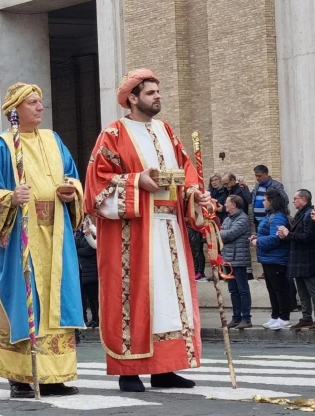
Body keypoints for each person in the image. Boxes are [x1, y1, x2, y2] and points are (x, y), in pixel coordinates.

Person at [84, 69, 212, 393]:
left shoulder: (167, 131)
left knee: (169, 299)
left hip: (170, 229)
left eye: (158, 91)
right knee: (134, 297)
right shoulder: (113, 134)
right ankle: (129, 371)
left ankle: (165, 368)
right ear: (132, 98)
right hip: (133, 231)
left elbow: (186, 172)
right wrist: (137, 180)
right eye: (151, 92)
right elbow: (96, 183)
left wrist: (195, 194)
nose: (158, 97)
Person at [0, 82, 85, 398]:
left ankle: (54, 375)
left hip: (55, 236)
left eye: (40, 102)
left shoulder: (53, 140)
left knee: (55, 301)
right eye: (32, 102)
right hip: (20, 237)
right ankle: (20, 377)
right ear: (15, 110)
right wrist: (9, 198)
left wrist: (71, 191)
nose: (40, 107)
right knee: (25, 302)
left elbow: (72, 175)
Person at [251, 189, 292, 330]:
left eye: (265, 200)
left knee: (280, 289)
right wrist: (257, 237)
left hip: (276, 259)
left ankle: (284, 318)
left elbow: (275, 238)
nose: (262, 202)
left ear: (271, 201)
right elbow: (267, 233)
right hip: (268, 258)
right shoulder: (270, 216)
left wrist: (258, 241)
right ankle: (275, 316)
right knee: (272, 289)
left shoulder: (278, 217)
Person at [277, 190, 315, 330]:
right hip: (299, 259)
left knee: (312, 291)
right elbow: (296, 236)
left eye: (295, 198)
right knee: (302, 292)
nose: (293, 201)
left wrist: (289, 234)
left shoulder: (310, 215)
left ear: (303, 200)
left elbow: (307, 237)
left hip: (307, 260)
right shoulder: (301, 214)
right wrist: (284, 236)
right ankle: (306, 318)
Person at [220, 195, 252, 329]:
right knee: (233, 290)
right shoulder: (228, 218)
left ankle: (246, 318)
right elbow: (224, 233)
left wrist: (219, 233)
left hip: (239, 259)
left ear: (234, 204)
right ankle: (236, 317)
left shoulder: (243, 219)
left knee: (242, 290)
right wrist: (221, 233)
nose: (225, 205)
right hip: (228, 259)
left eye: (227, 202)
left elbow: (229, 234)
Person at [76, 216, 99, 328]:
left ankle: (98, 318)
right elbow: (76, 245)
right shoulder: (82, 234)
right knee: (89, 296)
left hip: (93, 270)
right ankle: (94, 318)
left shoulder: (94, 233)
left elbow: (91, 249)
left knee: (95, 297)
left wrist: (79, 251)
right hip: (85, 270)